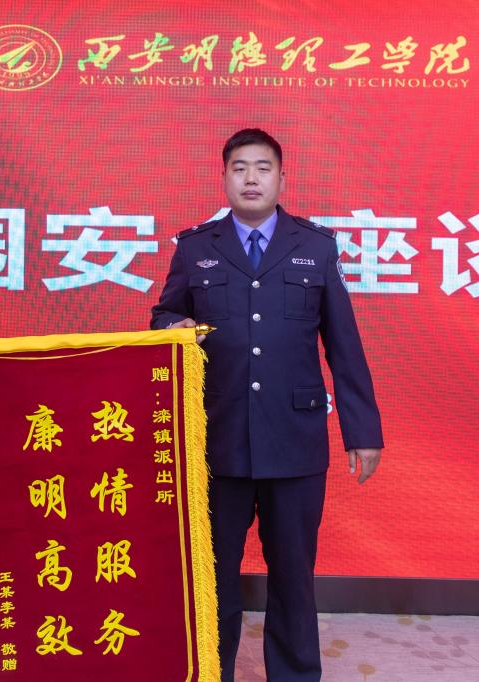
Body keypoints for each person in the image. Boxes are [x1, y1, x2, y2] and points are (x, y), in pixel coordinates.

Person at [150, 128, 383, 681]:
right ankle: (210, 672)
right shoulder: (196, 247)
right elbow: (162, 314)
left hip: (294, 441)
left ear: (281, 178)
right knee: (212, 576)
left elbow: (344, 344)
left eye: (262, 168)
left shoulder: (315, 247)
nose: (251, 178)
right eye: (239, 168)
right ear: (223, 177)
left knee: (294, 576)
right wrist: (172, 325)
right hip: (218, 438)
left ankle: (295, 674)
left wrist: (362, 431)